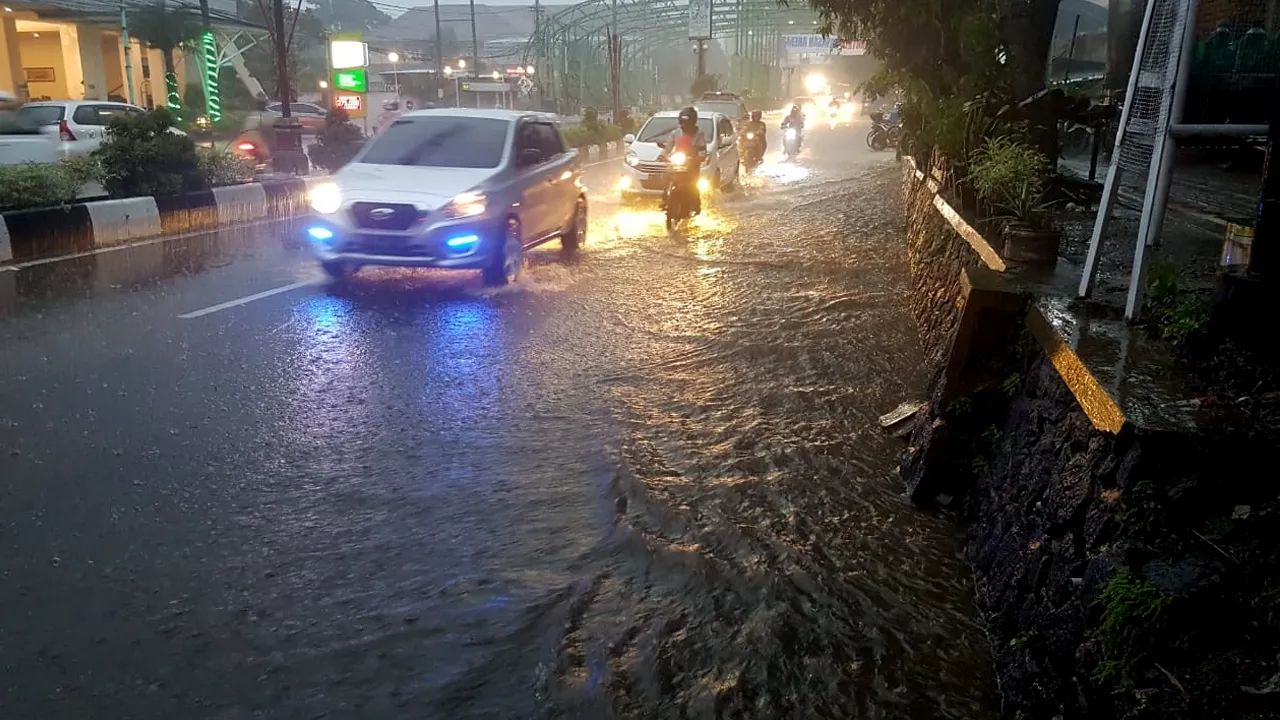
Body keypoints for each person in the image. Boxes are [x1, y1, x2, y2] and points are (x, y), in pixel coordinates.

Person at [664, 106, 709, 214]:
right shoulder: (676, 133)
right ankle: (664, 200)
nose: (685, 125)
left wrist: (700, 157)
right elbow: (669, 146)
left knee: (693, 185)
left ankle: (696, 205)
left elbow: (702, 149)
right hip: (678, 161)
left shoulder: (699, 134)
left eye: (687, 123)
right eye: (683, 122)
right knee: (668, 179)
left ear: (693, 122)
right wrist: (663, 155)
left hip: (692, 163)